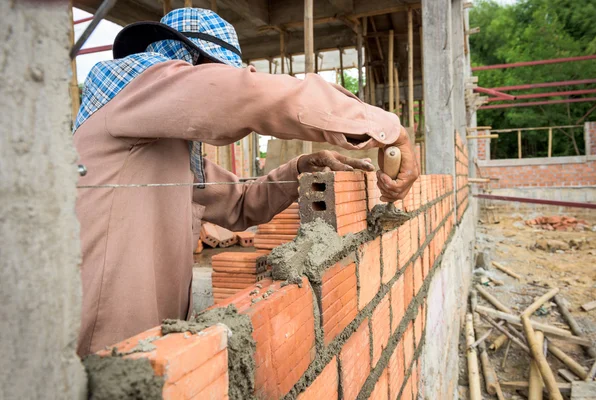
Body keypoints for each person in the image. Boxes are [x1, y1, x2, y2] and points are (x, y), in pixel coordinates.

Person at [74, 8, 418, 356]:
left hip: (151, 345)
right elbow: (247, 95)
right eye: (211, 74)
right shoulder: (134, 83)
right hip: (98, 343)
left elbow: (239, 204)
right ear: (188, 63)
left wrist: (301, 169)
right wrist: (387, 129)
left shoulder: (164, 152)